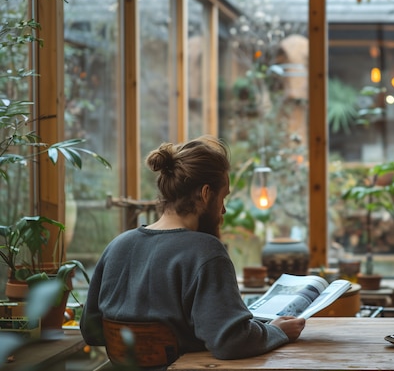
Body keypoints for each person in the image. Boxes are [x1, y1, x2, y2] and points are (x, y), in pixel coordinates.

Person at [80, 135, 305, 366]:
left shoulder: (117, 245)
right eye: (223, 197)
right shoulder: (206, 251)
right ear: (206, 194)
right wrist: (277, 332)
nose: (224, 210)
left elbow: (91, 331)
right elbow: (230, 342)